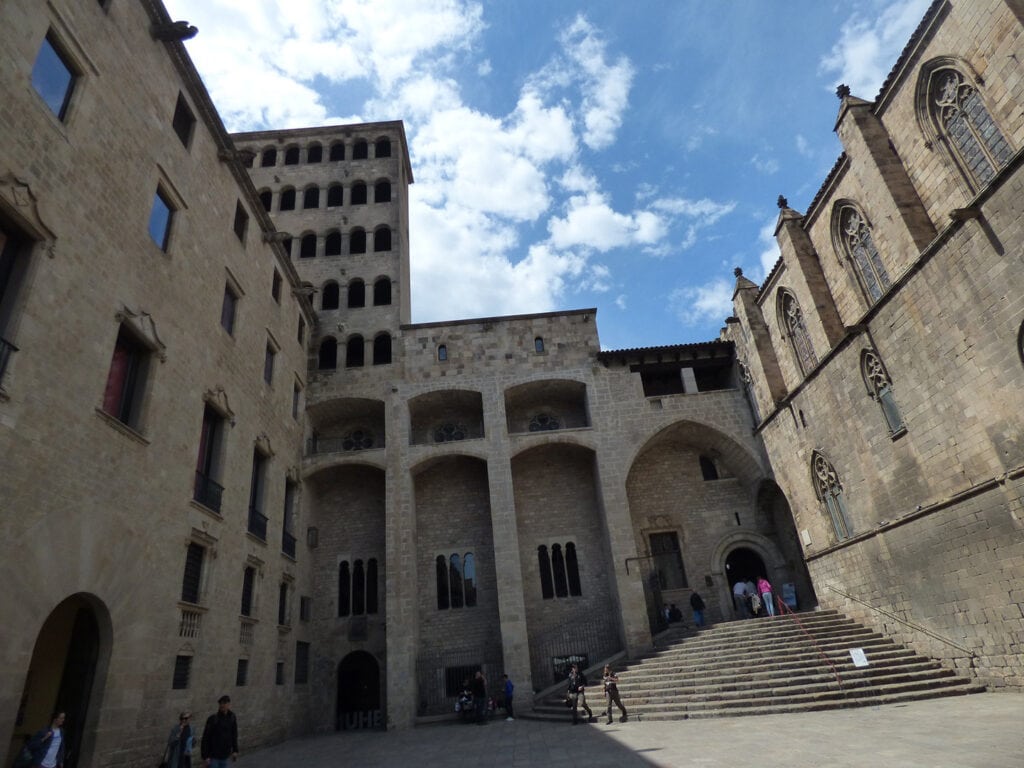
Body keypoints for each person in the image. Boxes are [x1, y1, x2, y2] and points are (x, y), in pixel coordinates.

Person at [200, 695, 238, 767]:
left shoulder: (232, 717)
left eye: (224, 703)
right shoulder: (213, 719)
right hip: (213, 756)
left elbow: (234, 734)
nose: (222, 705)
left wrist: (235, 750)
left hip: (226, 755)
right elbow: (205, 738)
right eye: (221, 703)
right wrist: (205, 756)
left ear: (228, 704)